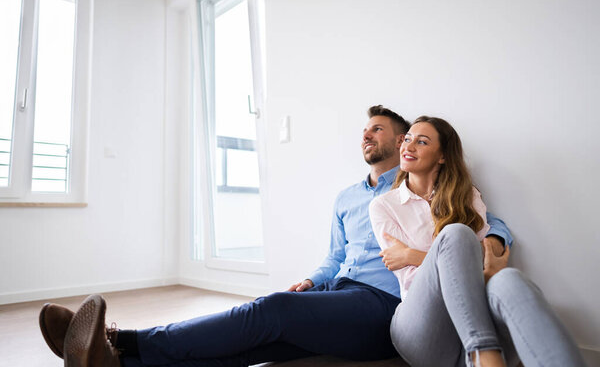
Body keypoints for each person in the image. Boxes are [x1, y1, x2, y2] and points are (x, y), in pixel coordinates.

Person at [40, 106, 512, 367]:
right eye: (364, 130)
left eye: (381, 130)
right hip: (342, 294)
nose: (368, 136)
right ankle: (116, 366)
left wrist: (496, 242)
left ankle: (123, 340)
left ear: (404, 141)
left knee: (268, 310)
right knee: (256, 348)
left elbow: (477, 226)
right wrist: (312, 281)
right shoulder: (348, 197)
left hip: (386, 307)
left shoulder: (423, 186)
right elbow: (334, 259)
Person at [369, 116, 586, 367]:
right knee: (457, 234)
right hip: (423, 329)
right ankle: (483, 352)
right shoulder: (384, 206)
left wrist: (412, 255)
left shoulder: (467, 195)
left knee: (509, 279)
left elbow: (486, 262)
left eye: (422, 141)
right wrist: (461, 260)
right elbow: (410, 275)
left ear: (442, 156)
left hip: (475, 314)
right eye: (407, 139)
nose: (408, 146)